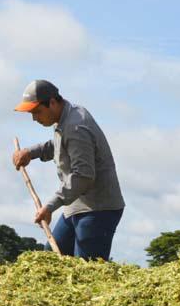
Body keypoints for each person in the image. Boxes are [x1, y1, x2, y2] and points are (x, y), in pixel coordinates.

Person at [12, 80, 125, 260]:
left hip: (97, 209)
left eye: (37, 112)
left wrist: (49, 206)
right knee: (51, 260)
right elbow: (59, 145)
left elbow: (83, 176)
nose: (34, 118)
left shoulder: (75, 126)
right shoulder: (65, 119)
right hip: (76, 205)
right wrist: (30, 153)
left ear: (52, 103)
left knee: (85, 271)